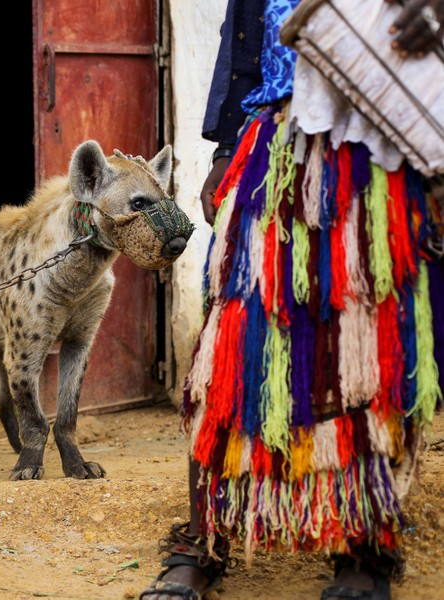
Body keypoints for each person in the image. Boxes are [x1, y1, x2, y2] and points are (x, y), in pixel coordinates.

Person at [140, 0, 444, 599]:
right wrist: (225, 149)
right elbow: (245, 30)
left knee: (364, 356)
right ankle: (208, 537)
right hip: (273, 150)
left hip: (379, 152)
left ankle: (363, 547)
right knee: (231, 350)